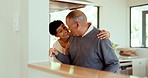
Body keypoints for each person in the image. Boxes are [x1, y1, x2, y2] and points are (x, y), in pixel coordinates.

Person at [49, 10, 119, 72]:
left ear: (77, 25)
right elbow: (69, 61)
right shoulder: (72, 38)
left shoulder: (101, 37)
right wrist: (57, 53)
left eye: (68, 26)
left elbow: (113, 64)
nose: (68, 30)